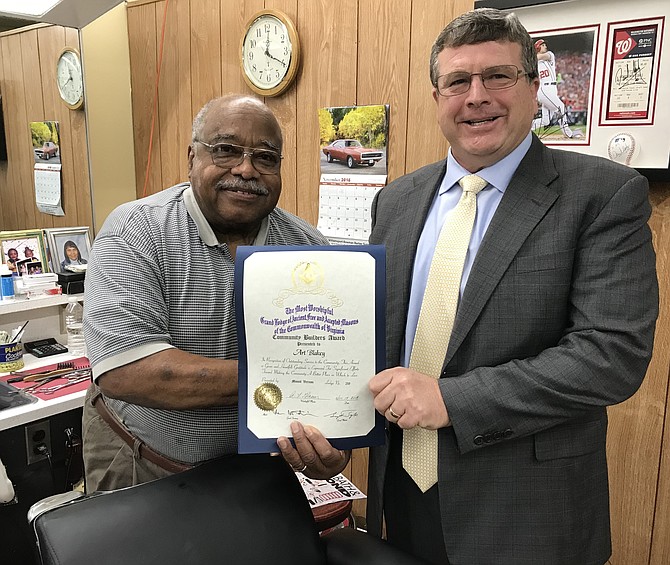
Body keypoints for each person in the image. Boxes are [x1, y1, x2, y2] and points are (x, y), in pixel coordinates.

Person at [366, 8, 658, 565]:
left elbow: (610, 356)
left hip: (528, 516)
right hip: (401, 495)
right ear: (437, 97)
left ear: (533, 87)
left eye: (497, 76)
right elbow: (375, 339)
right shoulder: (396, 200)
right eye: (457, 81)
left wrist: (450, 399)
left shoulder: (602, 196)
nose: (476, 96)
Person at [83, 95, 348, 492]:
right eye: (225, 150)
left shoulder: (308, 247)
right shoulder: (136, 231)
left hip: (255, 472)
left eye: (265, 157)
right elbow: (125, 372)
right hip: (141, 461)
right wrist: (291, 381)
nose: (245, 169)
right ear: (191, 157)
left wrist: (334, 445)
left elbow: (336, 367)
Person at [531, 38, 582, 139]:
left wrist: (531, 57)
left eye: (545, 45)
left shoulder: (549, 55)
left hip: (552, 89)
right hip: (544, 89)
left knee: (546, 120)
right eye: (542, 45)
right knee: (560, 107)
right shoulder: (535, 63)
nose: (545, 46)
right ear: (538, 47)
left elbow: (539, 57)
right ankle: (568, 133)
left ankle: (525, 128)